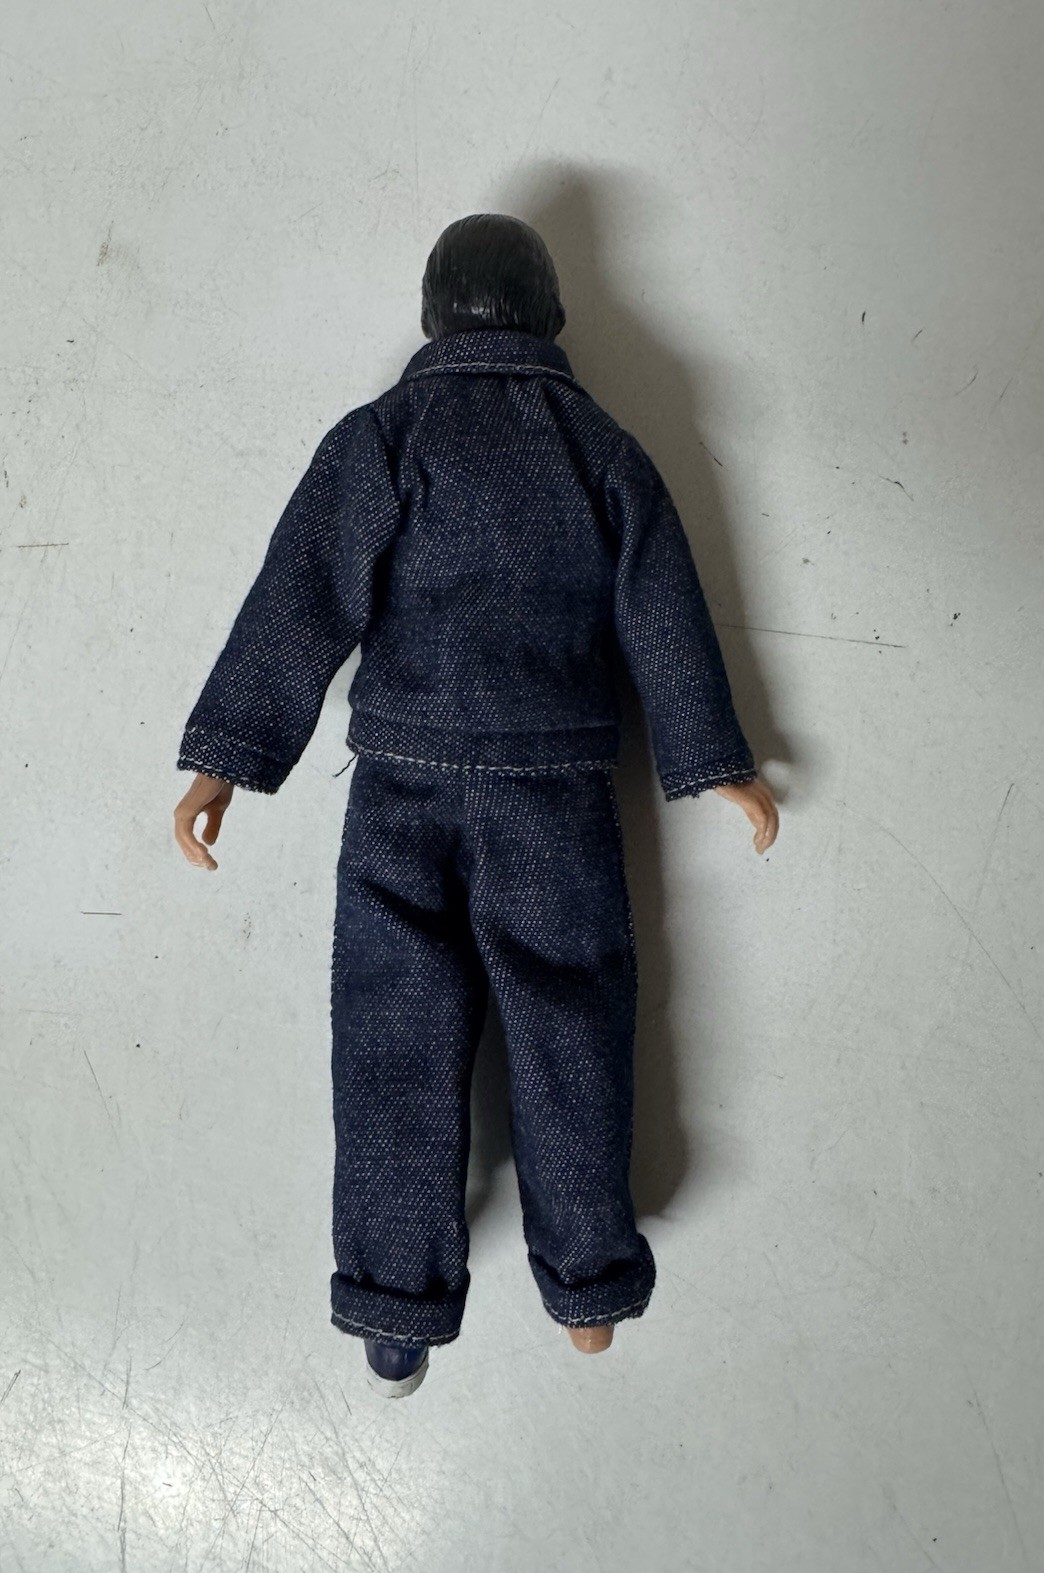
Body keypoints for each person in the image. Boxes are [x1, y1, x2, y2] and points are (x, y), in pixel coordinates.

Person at [173, 213, 779, 1399]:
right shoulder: (600, 447)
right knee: (571, 1030)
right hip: (557, 794)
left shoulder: (384, 437)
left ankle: (394, 1306)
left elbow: (304, 591)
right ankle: (589, 1287)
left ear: (431, 313)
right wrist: (713, 758)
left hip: (402, 789)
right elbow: (659, 600)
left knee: (391, 1038)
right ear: (553, 313)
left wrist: (229, 759)